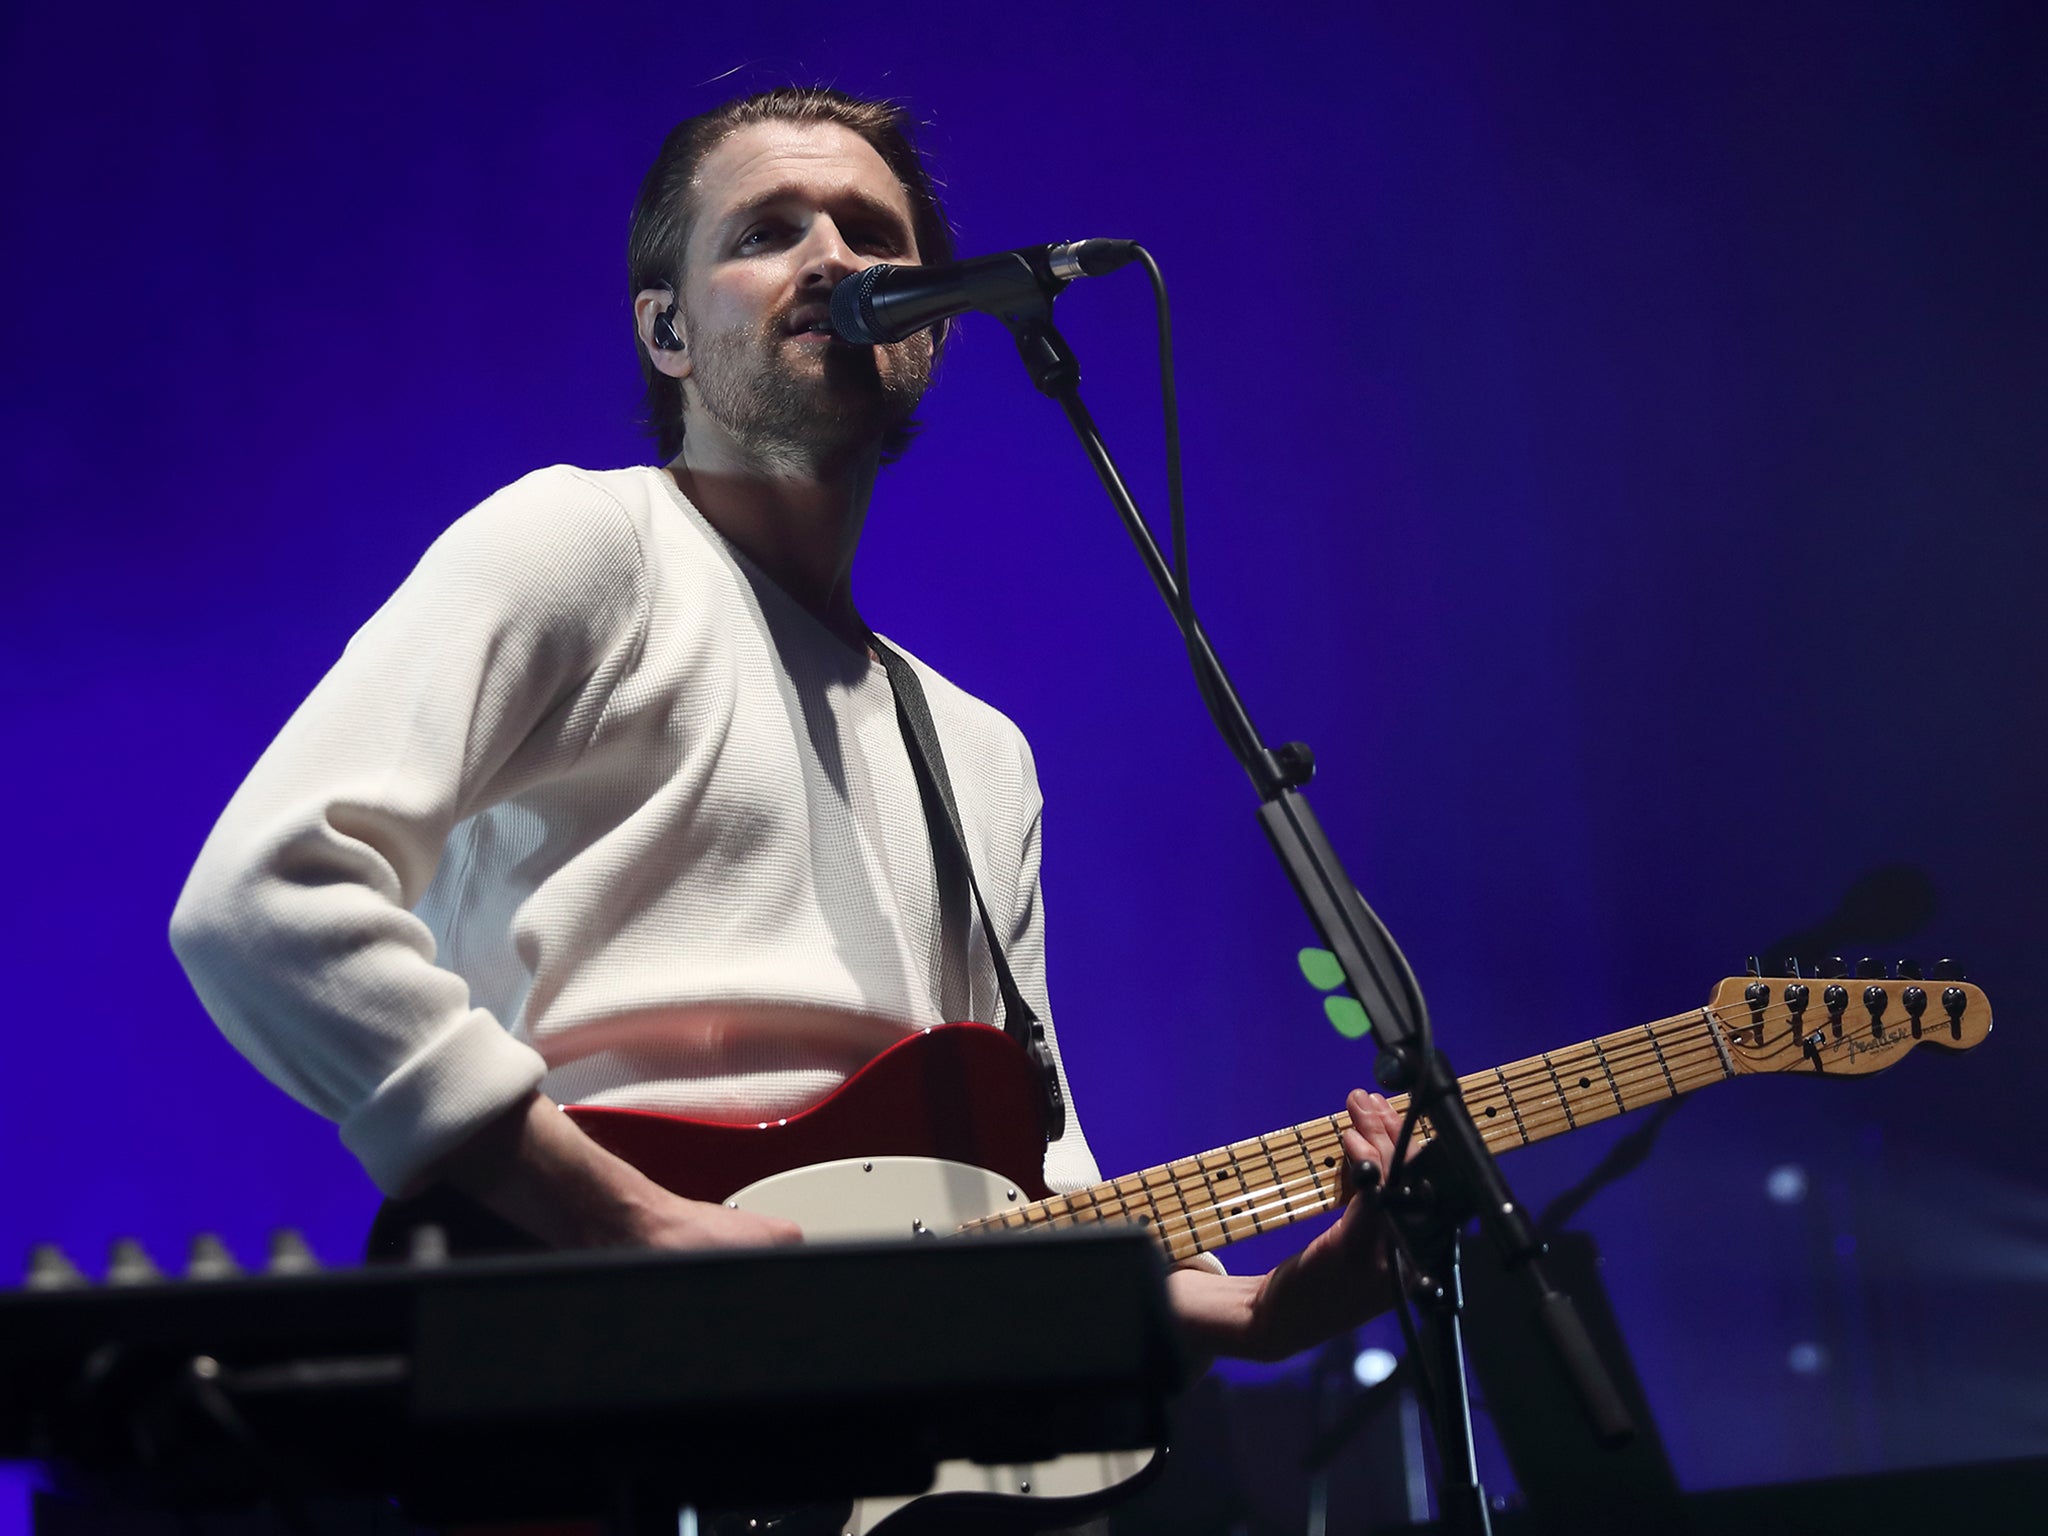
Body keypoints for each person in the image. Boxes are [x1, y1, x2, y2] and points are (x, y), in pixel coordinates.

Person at [169, 85, 1401, 1365]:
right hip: (585, 1357)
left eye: (874, 235)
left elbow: (1029, 1201)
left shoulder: (978, 751)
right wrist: (620, 1218)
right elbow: (266, 899)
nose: (832, 259)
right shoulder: (587, 545)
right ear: (667, 333)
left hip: (881, 1408)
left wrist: (1262, 1312)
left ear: (933, 326)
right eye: (765, 232)